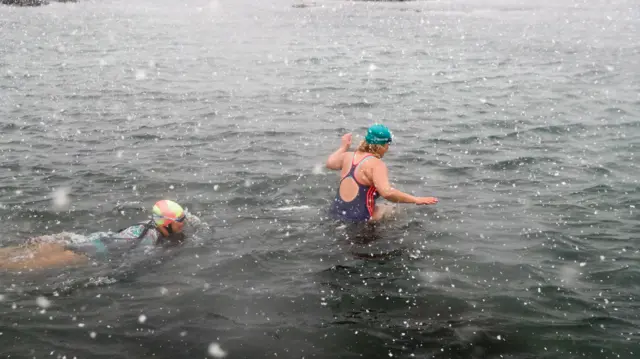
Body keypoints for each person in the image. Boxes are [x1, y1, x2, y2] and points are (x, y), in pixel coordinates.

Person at [0, 199, 188, 271]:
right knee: (31, 264)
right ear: (168, 224)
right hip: (95, 251)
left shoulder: (146, 224)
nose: (184, 223)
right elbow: (135, 259)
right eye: (181, 221)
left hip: (94, 240)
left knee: (37, 249)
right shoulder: (151, 239)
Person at [325, 124, 438, 222]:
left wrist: (343, 147)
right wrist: (416, 200)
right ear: (382, 146)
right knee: (394, 210)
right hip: (359, 221)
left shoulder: (348, 156)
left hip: (336, 214)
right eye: (388, 145)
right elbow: (387, 193)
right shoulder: (376, 164)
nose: (387, 149)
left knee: (383, 207)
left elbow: (330, 163)